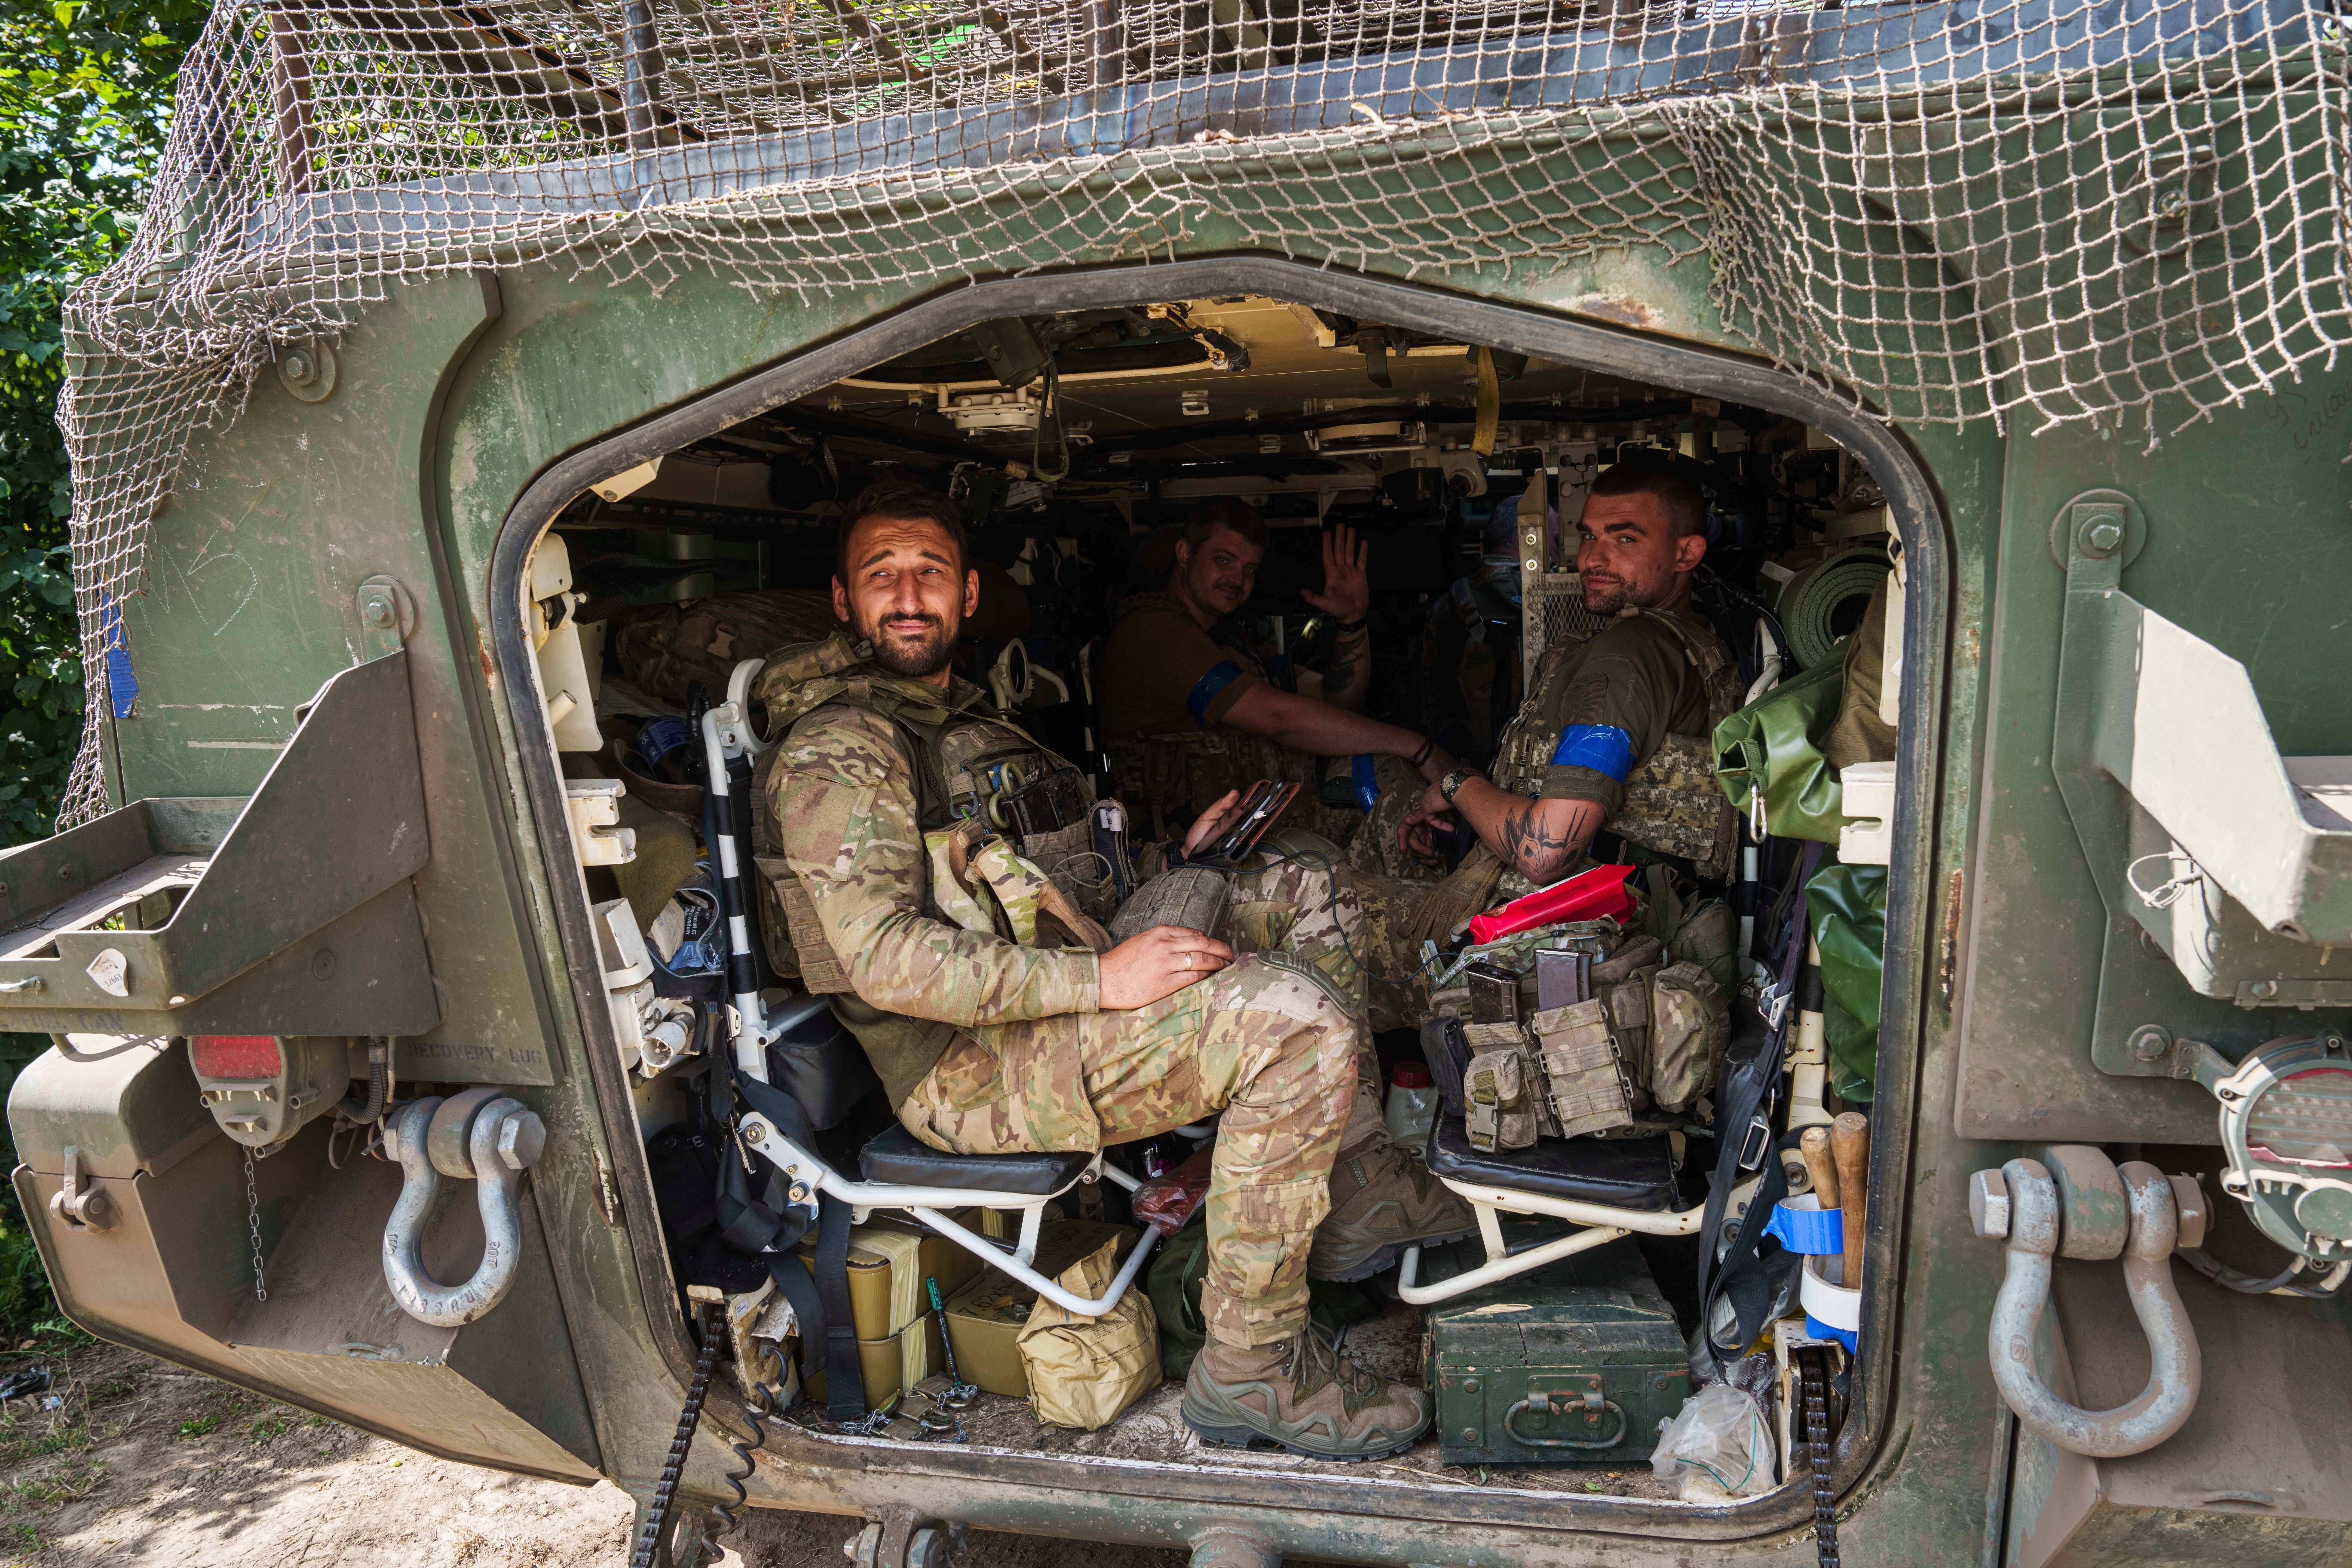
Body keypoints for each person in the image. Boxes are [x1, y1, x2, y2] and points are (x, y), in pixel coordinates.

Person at [759, 478, 1467, 1461]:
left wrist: (1176, 872)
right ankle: (1253, 1368)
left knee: (1298, 878)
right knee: (1295, 1024)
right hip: (966, 1069)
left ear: (969, 594)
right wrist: (1105, 983)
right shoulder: (846, 747)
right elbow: (884, 960)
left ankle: (1358, 1186)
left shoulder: (968, 721)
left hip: (1048, 1003)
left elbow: (1043, 894)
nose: (909, 595)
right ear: (845, 602)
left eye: (930, 572)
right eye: (883, 576)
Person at [1356, 455, 1747, 978]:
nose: (1593, 559)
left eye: (1625, 540)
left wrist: (1455, 783)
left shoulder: (1627, 658)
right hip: (1618, 913)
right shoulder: (1691, 641)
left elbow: (1547, 852)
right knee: (1393, 810)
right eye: (1589, 537)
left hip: (1547, 941)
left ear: (1687, 553)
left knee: (1310, 902)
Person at [1099, 498, 1454, 847]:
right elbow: (1278, 718)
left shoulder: (1228, 640)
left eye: (1249, 570)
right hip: (1185, 852)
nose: (1237, 579)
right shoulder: (1158, 634)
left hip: (1251, 837)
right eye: (1224, 560)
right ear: (1184, 554)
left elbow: (1339, 705)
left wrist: (1351, 623)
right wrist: (1418, 748)